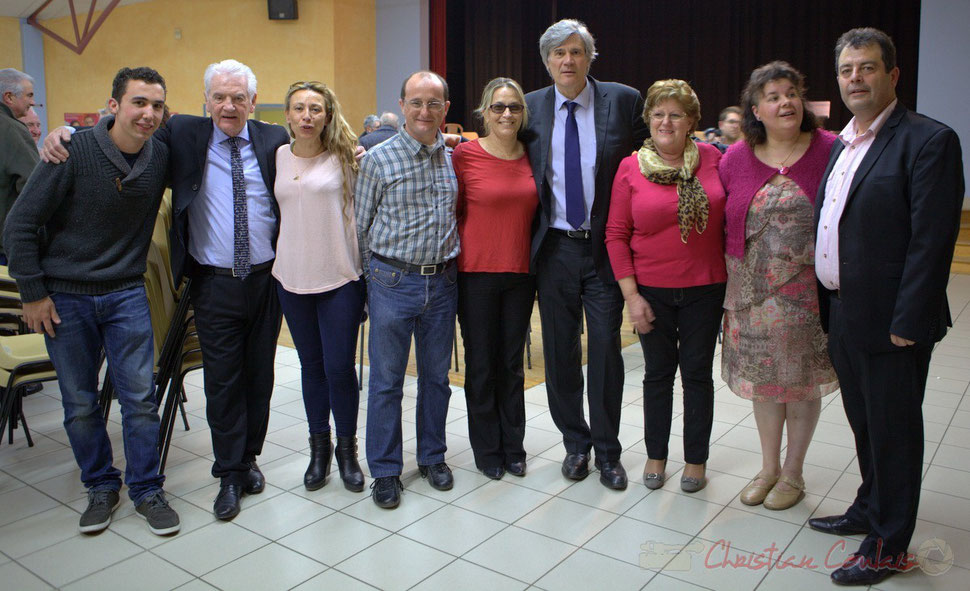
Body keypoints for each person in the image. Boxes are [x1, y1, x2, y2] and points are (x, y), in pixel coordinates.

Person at [809, 28, 964, 586]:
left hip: (892, 321)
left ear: (893, 75)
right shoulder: (843, 143)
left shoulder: (928, 140)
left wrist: (908, 323)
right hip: (844, 311)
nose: (856, 78)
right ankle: (868, 508)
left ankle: (889, 544)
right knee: (865, 423)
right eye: (848, 69)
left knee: (895, 432)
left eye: (867, 68)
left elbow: (932, 241)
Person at [5, 67, 180, 536]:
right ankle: (101, 485)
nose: (148, 113)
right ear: (113, 106)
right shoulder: (71, 151)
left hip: (126, 293)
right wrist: (33, 293)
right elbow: (19, 226)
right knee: (80, 403)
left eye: (156, 105)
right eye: (138, 103)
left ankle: (146, 488)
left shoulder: (160, 154)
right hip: (66, 298)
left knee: (140, 399)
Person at [524, 19, 649, 490]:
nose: (568, 61)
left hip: (604, 249)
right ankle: (575, 445)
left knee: (605, 353)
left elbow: (648, 161)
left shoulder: (622, 99)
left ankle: (609, 452)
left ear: (589, 56)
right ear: (547, 60)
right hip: (553, 249)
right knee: (558, 353)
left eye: (576, 51)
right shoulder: (531, 106)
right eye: (559, 53)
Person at [719, 62, 838, 512]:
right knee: (766, 385)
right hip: (751, 298)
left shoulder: (831, 149)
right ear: (756, 109)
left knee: (801, 385)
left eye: (791, 93)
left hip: (810, 297)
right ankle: (768, 468)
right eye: (773, 96)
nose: (785, 102)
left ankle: (793, 472)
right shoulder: (737, 156)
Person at [606, 79, 726, 493]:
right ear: (648, 120)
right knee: (657, 375)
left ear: (692, 120)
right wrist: (631, 296)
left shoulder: (714, 159)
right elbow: (615, 234)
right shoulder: (630, 167)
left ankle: (696, 459)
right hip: (650, 292)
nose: (666, 122)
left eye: (676, 114)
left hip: (706, 289)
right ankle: (656, 454)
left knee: (696, 376)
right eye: (658, 114)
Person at [356, 70, 459, 509]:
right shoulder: (378, 160)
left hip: (443, 281)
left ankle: (433, 456)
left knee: (437, 379)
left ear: (445, 110)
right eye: (416, 102)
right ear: (402, 105)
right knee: (386, 382)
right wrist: (368, 286)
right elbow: (360, 228)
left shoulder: (457, 159)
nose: (424, 111)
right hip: (391, 282)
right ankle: (384, 469)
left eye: (433, 103)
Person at [273, 81, 366, 492]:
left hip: (340, 277)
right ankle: (319, 450)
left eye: (315, 109)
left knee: (339, 368)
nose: (307, 116)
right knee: (311, 368)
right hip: (291, 278)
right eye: (299, 109)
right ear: (288, 116)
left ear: (328, 115)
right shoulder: (275, 156)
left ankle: (348, 451)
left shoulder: (349, 157)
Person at [453, 77, 538, 480]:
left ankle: (513, 446)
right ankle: (487, 449)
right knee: (482, 365)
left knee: (511, 364)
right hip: (475, 276)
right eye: (498, 107)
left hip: (521, 274)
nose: (507, 114)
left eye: (514, 107)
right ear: (484, 112)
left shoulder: (533, 155)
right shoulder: (465, 156)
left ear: (523, 114)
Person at [0, 68, 39, 264]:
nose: (32, 102)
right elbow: (34, 188)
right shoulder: (12, 130)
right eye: (29, 95)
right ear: (9, 97)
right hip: (5, 248)